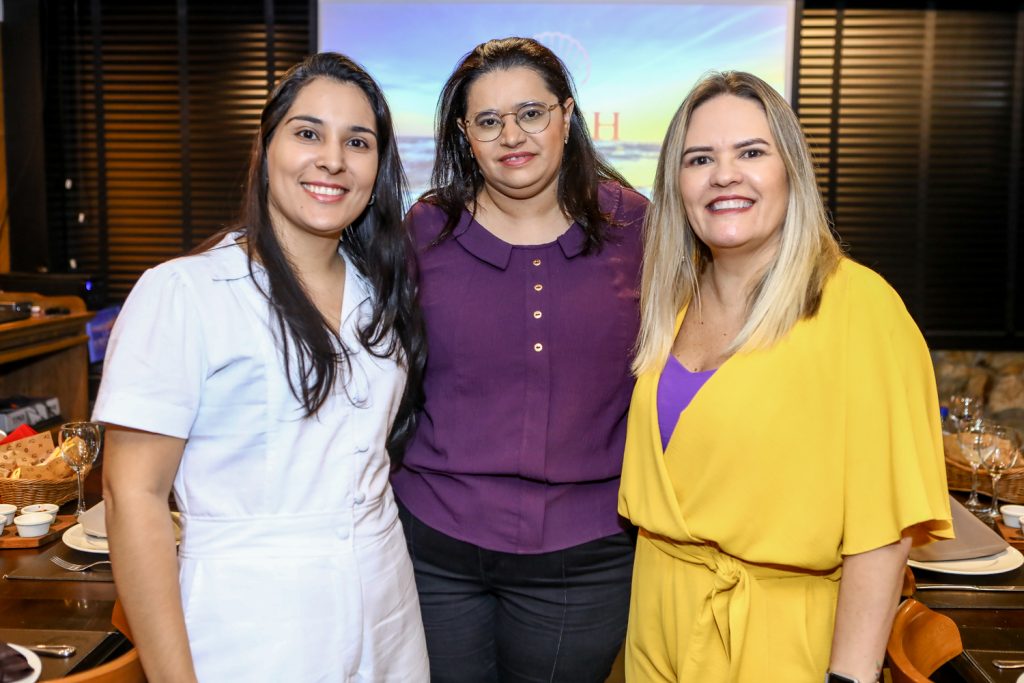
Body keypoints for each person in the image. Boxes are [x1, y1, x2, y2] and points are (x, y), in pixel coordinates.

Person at [95, 52, 429, 682]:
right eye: (308, 133)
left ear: (378, 166)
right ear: (267, 147)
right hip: (248, 626)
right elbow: (131, 496)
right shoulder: (186, 292)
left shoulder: (380, 294)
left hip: (387, 611)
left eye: (357, 142)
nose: (332, 159)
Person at [618, 71, 953, 683]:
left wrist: (848, 678)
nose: (724, 175)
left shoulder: (858, 306)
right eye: (700, 158)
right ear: (677, 185)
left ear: (791, 170)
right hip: (655, 629)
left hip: (780, 641)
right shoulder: (672, 304)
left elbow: (883, 534)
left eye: (751, 152)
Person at [390, 37, 648, 682]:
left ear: (566, 115)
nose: (513, 135)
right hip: (434, 547)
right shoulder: (424, 230)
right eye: (488, 120)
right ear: (464, 135)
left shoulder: (640, 228)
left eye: (531, 112)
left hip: (585, 556)